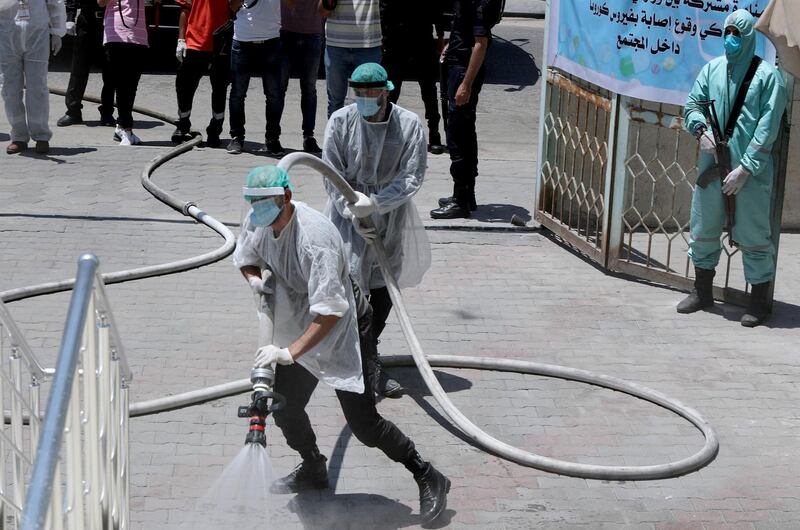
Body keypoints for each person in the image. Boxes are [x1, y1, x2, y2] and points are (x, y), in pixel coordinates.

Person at [233, 165, 450, 525]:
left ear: (286, 197)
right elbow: (246, 258)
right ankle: (313, 467)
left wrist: (287, 353)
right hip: (302, 319)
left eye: (265, 205)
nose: (258, 214)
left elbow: (331, 312)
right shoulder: (258, 216)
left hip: (342, 325)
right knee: (285, 407)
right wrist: (254, 280)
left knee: (364, 425)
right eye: (253, 205)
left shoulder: (313, 237)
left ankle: (427, 474)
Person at [322, 63, 431, 397]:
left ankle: (370, 354)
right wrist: (352, 209)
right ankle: (364, 364)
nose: (366, 99)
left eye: (372, 92)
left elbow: (412, 176)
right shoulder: (340, 122)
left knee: (383, 289)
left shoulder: (409, 125)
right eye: (360, 93)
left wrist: (378, 204)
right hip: (347, 218)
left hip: (391, 217)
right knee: (352, 287)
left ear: (387, 90)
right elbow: (330, 172)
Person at [680, 9, 787, 327]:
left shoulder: (769, 77)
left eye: (736, 34)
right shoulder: (712, 70)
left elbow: (768, 127)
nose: (730, 39)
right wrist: (701, 130)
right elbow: (693, 105)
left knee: (754, 234)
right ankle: (702, 291)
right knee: (704, 227)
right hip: (712, 165)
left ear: (748, 36)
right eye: (726, 32)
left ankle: (758, 302)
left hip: (750, 174)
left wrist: (746, 168)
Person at [429, 0, 503, 219]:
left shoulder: (479, 1)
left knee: (458, 136)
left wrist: (466, 84)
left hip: (463, 72)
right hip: (456, 66)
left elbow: (481, 43)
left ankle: (460, 200)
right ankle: (466, 194)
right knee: (464, 133)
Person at [379, 0, 445, 154]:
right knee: (391, 91)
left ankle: (434, 134)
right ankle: (385, 132)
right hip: (395, 39)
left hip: (422, 38)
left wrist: (440, 35)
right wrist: (382, 35)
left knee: (429, 90)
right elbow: (383, 8)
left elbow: (437, 9)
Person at [0, 0, 66, 154]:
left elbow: (55, 3)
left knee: (37, 87)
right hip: (7, 34)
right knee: (9, 89)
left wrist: (57, 32)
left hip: (37, 34)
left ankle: (41, 136)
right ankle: (19, 136)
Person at [226, 0, 287, 156]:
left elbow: (292, 4)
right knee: (238, 93)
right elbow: (233, 6)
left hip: (271, 41)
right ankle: (236, 137)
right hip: (242, 41)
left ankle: (273, 138)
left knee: (274, 94)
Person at [171, 0, 231, 146]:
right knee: (184, 85)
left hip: (221, 42)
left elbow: (236, 8)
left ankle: (215, 128)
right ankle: (183, 123)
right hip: (194, 42)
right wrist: (181, 39)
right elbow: (185, 10)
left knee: (220, 88)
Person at [56, 0, 115, 127]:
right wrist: (70, 17)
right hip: (87, 20)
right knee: (79, 68)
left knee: (110, 70)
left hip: (110, 21)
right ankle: (73, 111)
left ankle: (107, 112)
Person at [320, 0, 382, 117]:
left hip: (368, 45)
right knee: (335, 102)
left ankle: (367, 135)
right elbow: (322, 12)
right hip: (336, 44)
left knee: (370, 103)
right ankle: (336, 135)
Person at [99, 0, 148, 146]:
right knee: (121, 84)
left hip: (139, 35)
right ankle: (126, 127)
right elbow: (101, 2)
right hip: (117, 35)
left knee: (132, 85)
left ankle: (122, 128)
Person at [279, 0, 323, 153]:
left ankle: (309, 136)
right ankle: (272, 137)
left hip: (312, 32)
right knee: (279, 88)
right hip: (285, 31)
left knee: (309, 89)